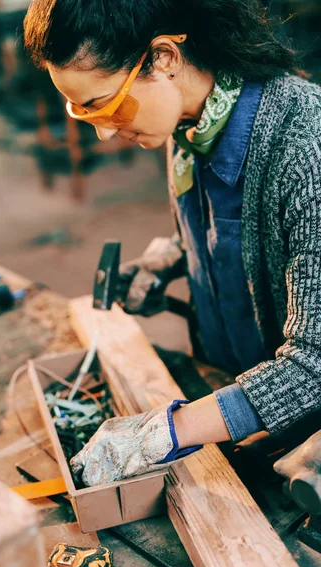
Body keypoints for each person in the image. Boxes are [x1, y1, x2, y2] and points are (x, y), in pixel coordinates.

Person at [23, 0, 321, 487]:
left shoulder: (306, 144)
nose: (101, 132)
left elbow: (316, 361)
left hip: (300, 437)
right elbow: (232, 229)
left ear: (163, 57)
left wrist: (165, 431)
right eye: (82, 113)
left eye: (105, 105)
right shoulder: (186, 126)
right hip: (224, 384)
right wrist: (168, 260)